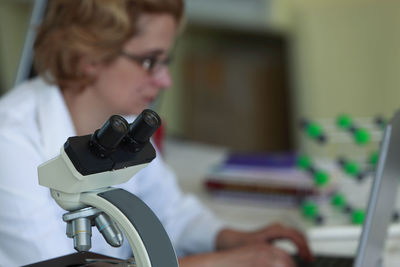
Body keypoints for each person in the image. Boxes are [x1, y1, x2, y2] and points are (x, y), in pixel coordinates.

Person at [0, 0, 313, 266]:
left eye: (167, 61)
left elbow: (169, 214)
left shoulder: (122, 123)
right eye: (149, 61)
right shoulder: (11, 142)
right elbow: (61, 264)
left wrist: (232, 239)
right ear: (89, 56)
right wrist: (225, 261)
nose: (165, 81)